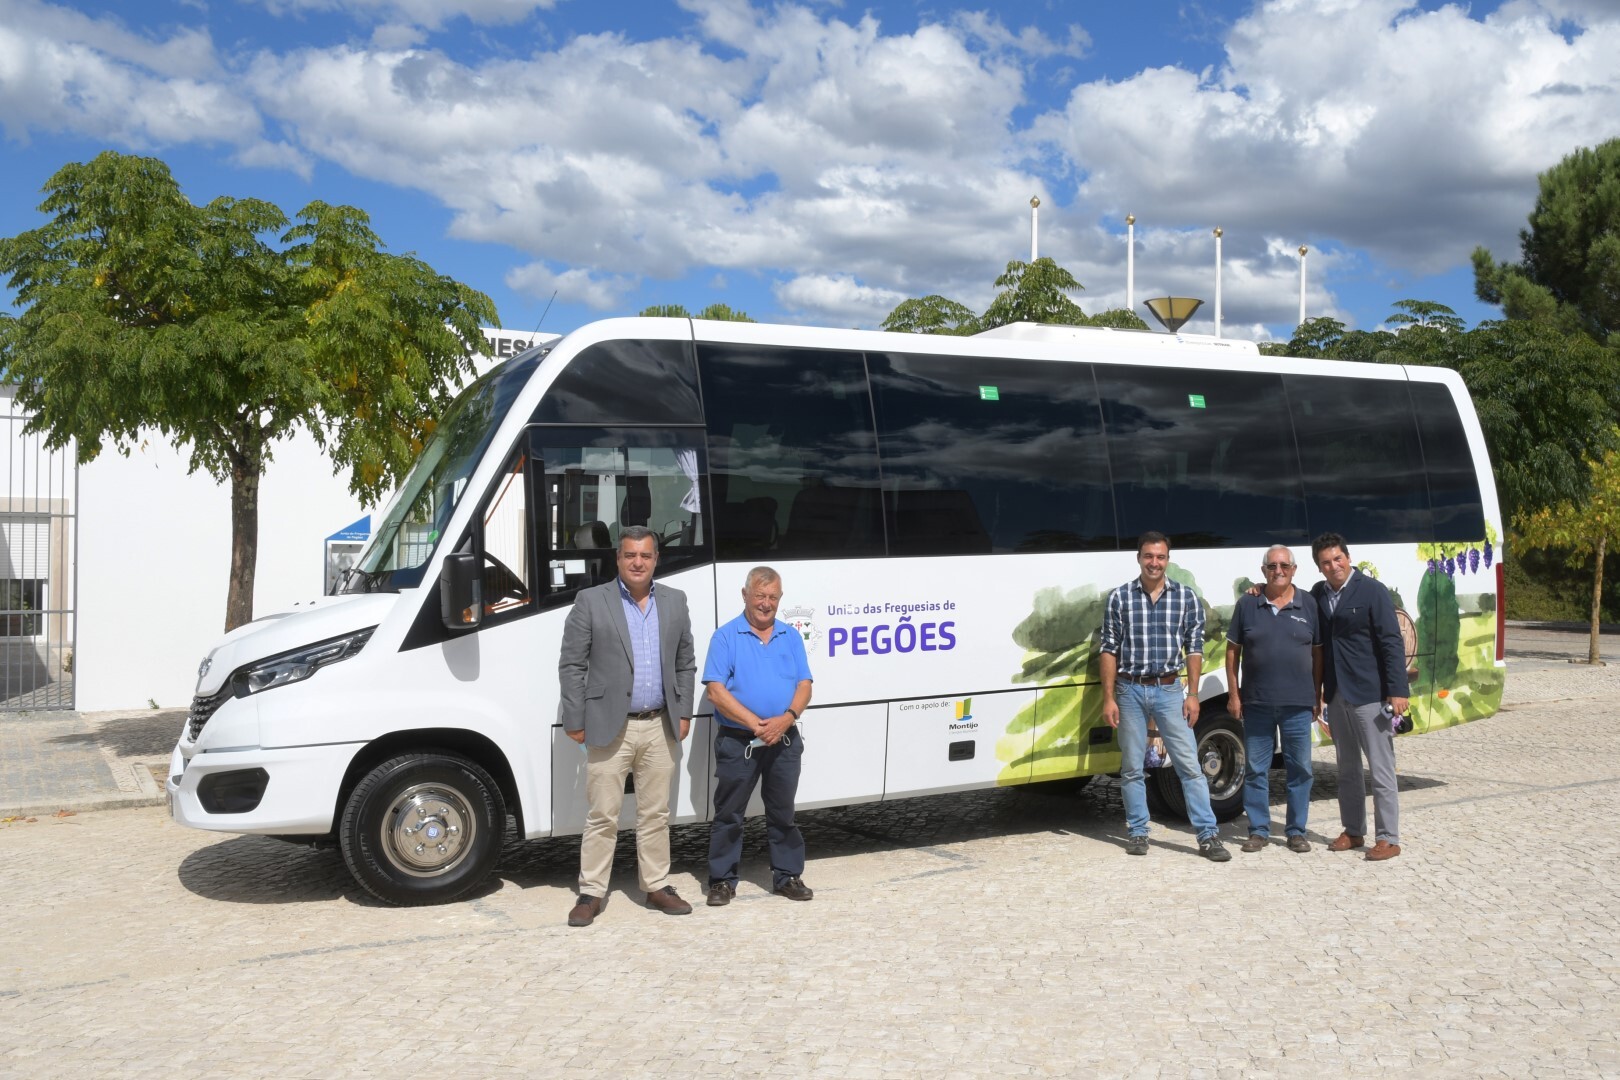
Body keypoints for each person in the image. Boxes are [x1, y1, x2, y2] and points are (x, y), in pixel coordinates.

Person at [558, 526, 697, 926]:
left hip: (659, 724)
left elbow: (685, 661)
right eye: (630, 555)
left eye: (646, 555)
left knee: (655, 813)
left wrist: (683, 712)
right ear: (618, 559)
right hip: (608, 726)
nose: (638, 562)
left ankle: (656, 885)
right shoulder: (591, 600)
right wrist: (575, 719)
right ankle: (591, 892)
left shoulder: (674, 600)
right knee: (603, 815)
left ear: (656, 560)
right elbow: (572, 664)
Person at [1100, 531, 1231, 862]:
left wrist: (1194, 694)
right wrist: (1108, 697)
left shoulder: (1185, 598)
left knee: (1189, 766)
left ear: (1168, 560)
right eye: (1148, 556)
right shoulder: (1119, 597)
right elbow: (1108, 649)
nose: (1154, 562)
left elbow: (1194, 648)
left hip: (1170, 691)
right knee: (1132, 768)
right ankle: (1138, 832)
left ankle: (1208, 835)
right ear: (1139, 558)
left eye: (1160, 557)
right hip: (1129, 690)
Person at [703, 566, 815, 905]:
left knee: (783, 813)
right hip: (740, 741)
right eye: (760, 596)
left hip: (784, 739)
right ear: (745, 595)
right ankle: (722, 881)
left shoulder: (790, 636)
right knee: (729, 815)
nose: (766, 603)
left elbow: (805, 685)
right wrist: (757, 724)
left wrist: (787, 718)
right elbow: (715, 691)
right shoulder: (725, 637)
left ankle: (788, 876)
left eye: (773, 597)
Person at [1310, 532, 1410, 862]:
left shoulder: (1372, 591)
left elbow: (1391, 641)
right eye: (1326, 562)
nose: (1333, 566)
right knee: (1347, 768)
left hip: (1370, 694)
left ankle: (1388, 838)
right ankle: (1353, 830)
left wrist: (1398, 689)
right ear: (1319, 567)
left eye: (1338, 558)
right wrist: (1259, 588)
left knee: (1381, 769)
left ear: (1348, 558)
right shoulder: (1318, 594)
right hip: (1336, 693)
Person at [1227, 545, 1323, 853]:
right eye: (1272, 566)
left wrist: (1317, 694)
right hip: (1257, 703)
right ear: (1263, 570)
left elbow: (1318, 654)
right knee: (1256, 769)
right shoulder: (1248, 603)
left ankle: (1296, 831)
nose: (1278, 571)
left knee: (1300, 770)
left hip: (1298, 704)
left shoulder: (1309, 604)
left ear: (1294, 570)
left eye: (1283, 566)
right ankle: (1258, 830)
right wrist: (1234, 694)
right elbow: (1233, 652)